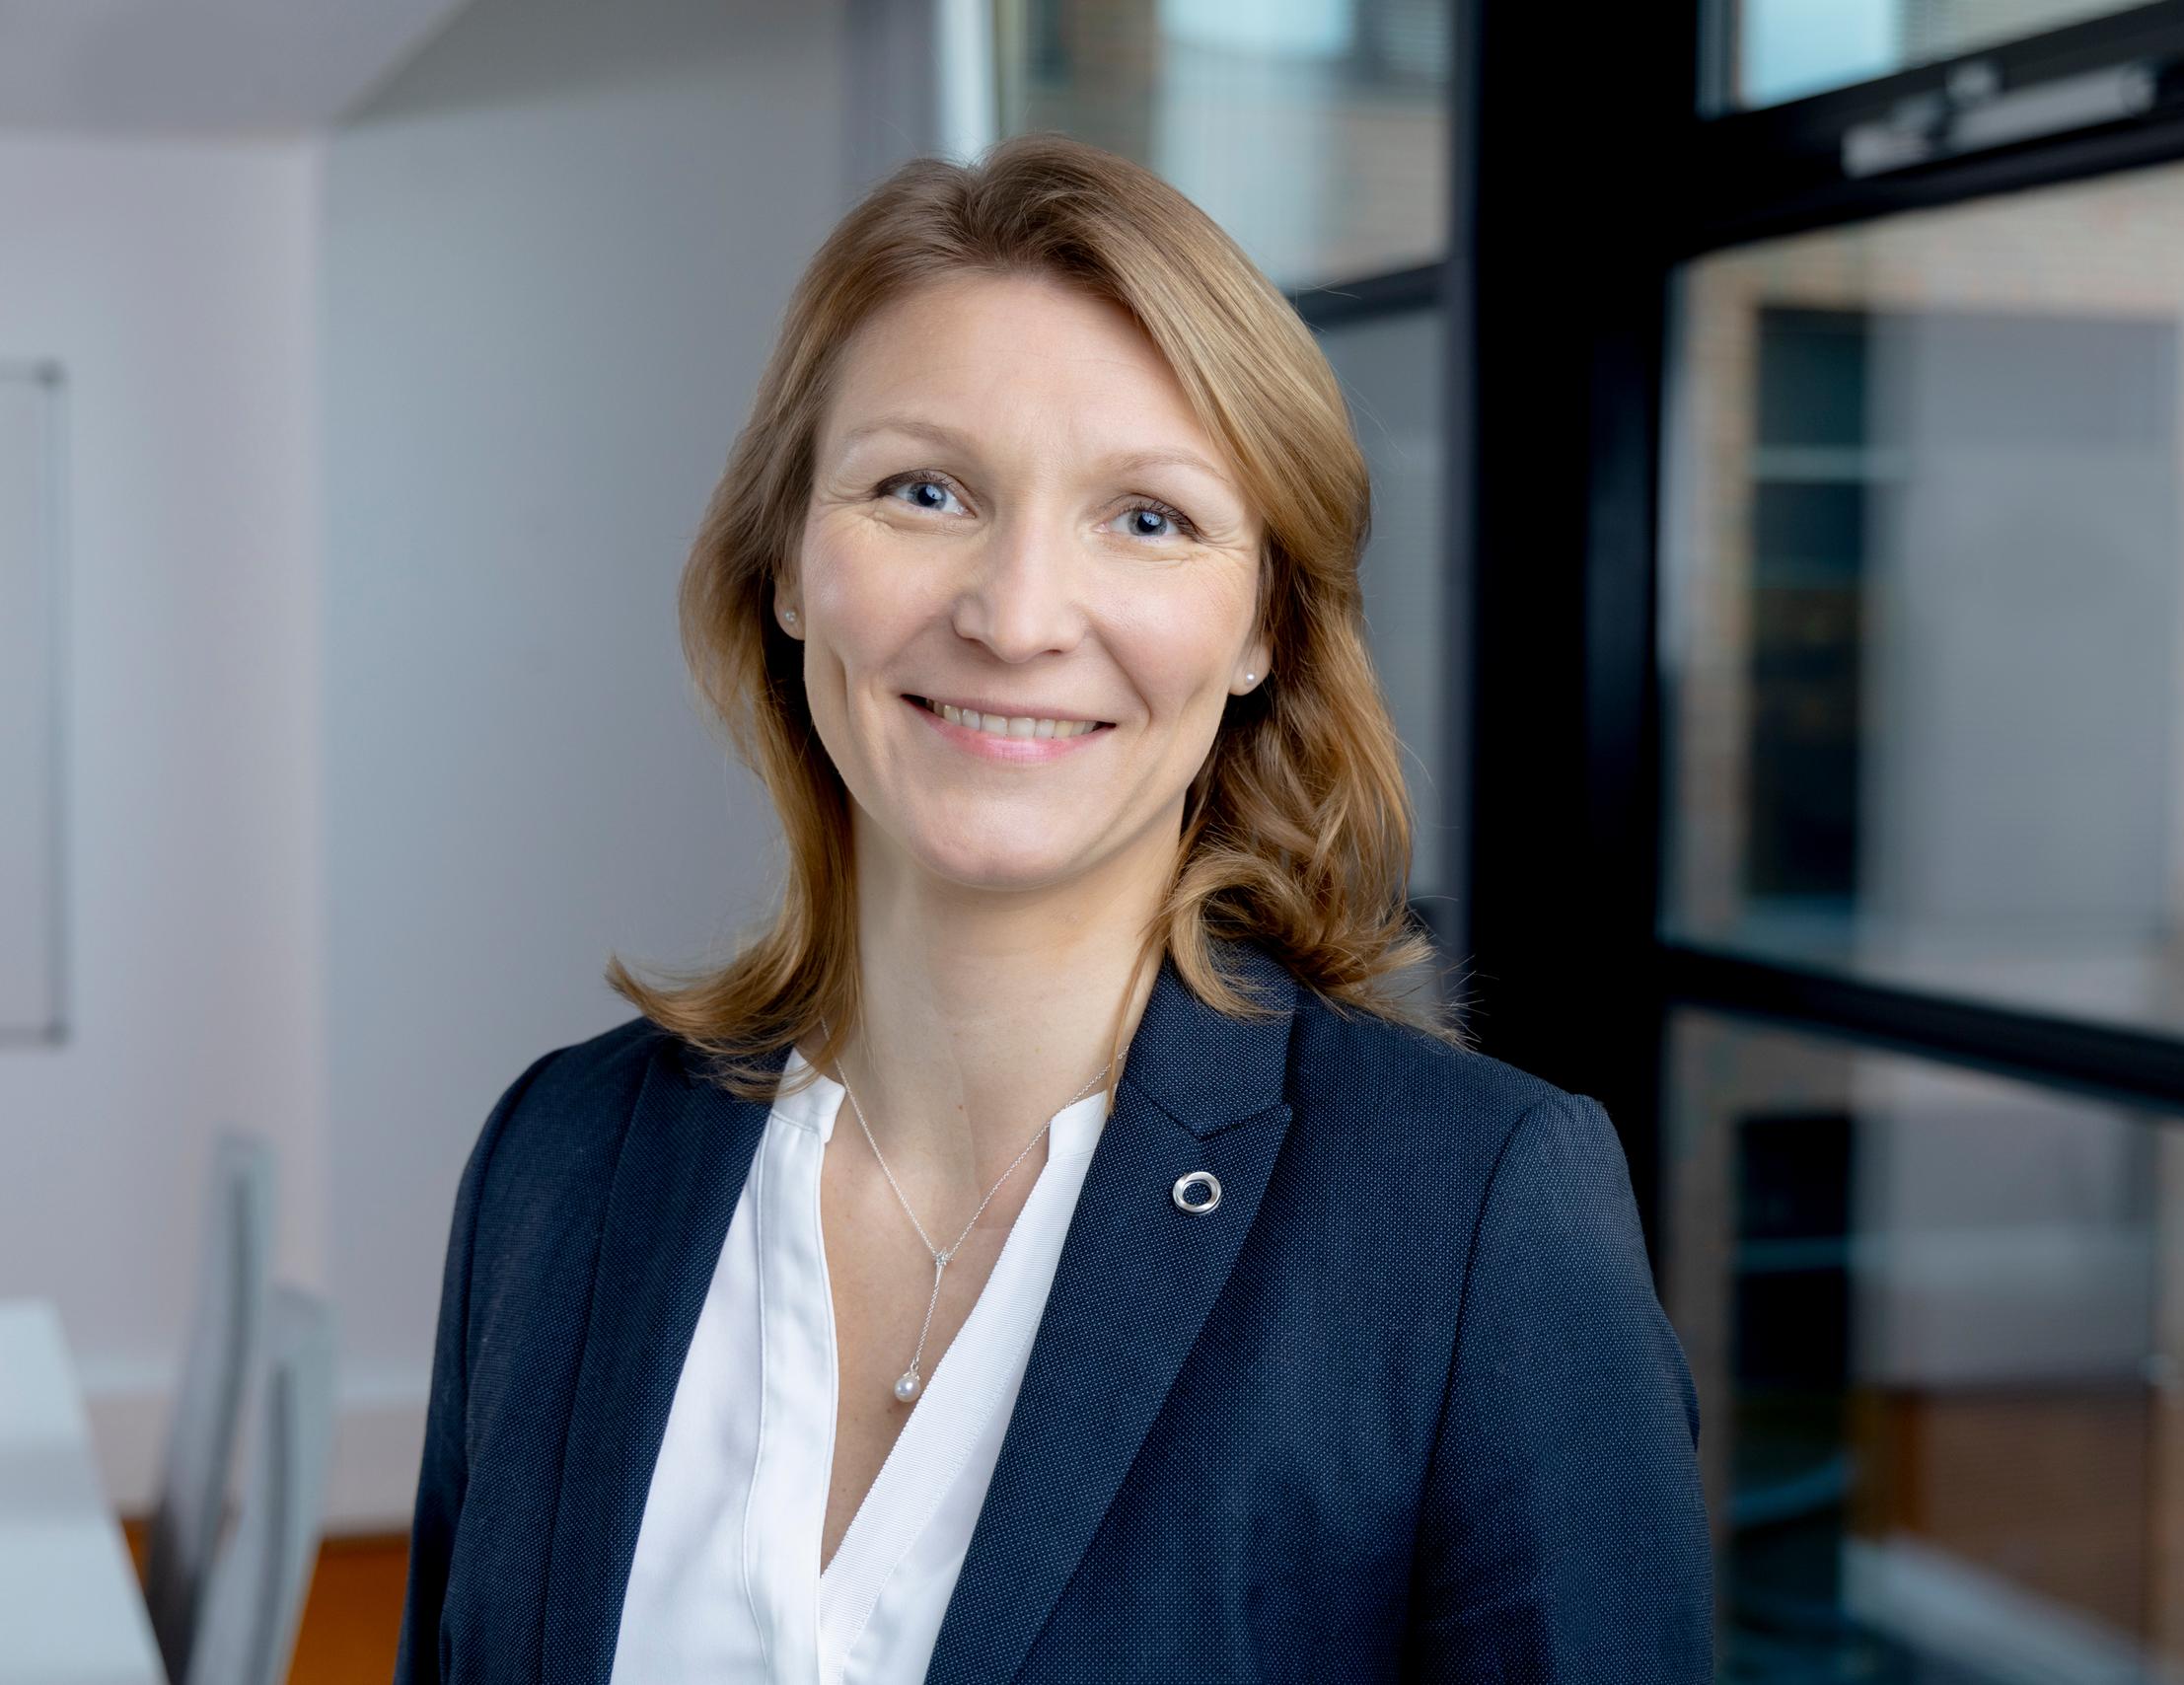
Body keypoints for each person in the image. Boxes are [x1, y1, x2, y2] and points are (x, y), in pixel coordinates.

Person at [394, 132, 1710, 1685]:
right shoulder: (560, 1162)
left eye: (1148, 518)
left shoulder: (1476, 1220)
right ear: (788, 564)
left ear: (1265, 626)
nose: (1016, 619)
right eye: (925, 491)